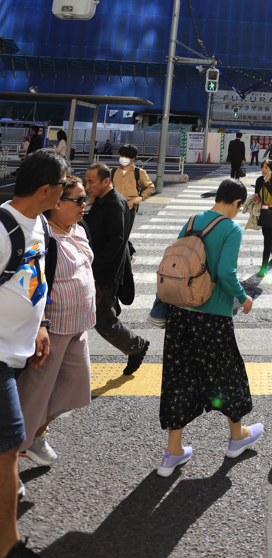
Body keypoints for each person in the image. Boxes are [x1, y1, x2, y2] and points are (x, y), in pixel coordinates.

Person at [157, 178, 263, 476]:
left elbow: (174, 260)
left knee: (179, 374)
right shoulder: (230, 228)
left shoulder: (193, 220)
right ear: (236, 204)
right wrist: (244, 298)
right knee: (227, 373)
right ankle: (237, 436)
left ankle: (172, 452)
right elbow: (226, 273)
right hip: (212, 315)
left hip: (181, 313)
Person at [0, 148, 68, 557]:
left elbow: (33, 277)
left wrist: (40, 326)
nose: (66, 193)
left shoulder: (39, 222)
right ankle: (9, 545)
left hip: (19, 350)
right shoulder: (2, 228)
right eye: (63, 186)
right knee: (9, 445)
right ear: (45, 189)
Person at [18, 176, 95, 469]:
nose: (83, 205)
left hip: (79, 323)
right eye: (77, 199)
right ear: (56, 203)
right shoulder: (43, 235)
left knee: (72, 388)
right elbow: (32, 285)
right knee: (34, 395)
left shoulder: (77, 229)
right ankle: (12, 455)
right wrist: (42, 324)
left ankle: (36, 435)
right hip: (53, 328)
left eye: (85, 198)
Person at [83, 164, 149, 375]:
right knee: (101, 317)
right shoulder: (101, 201)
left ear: (105, 181)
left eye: (91, 182)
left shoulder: (115, 203)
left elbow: (116, 242)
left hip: (105, 272)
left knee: (104, 322)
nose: (87, 186)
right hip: (97, 269)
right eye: (86, 181)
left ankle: (137, 346)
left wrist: (93, 265)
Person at [253, 159, 272, 276]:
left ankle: (264, 267)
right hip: (263, 211)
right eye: (262, 167)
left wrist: (268, 183)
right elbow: (257, 193)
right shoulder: (258, 180)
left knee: (267, 240)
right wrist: (256, 197)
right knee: (267, 236)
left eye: (266, 168)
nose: (263, 170)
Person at [112, 144, 154, 229]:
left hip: (130, 207)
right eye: (121, 155)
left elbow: (150, 187)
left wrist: (140, 198)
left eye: (126, 156)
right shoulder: (113, 172)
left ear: (133, 158)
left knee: (125, 233)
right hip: (114, 208)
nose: (123, 158)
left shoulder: (139, 172)